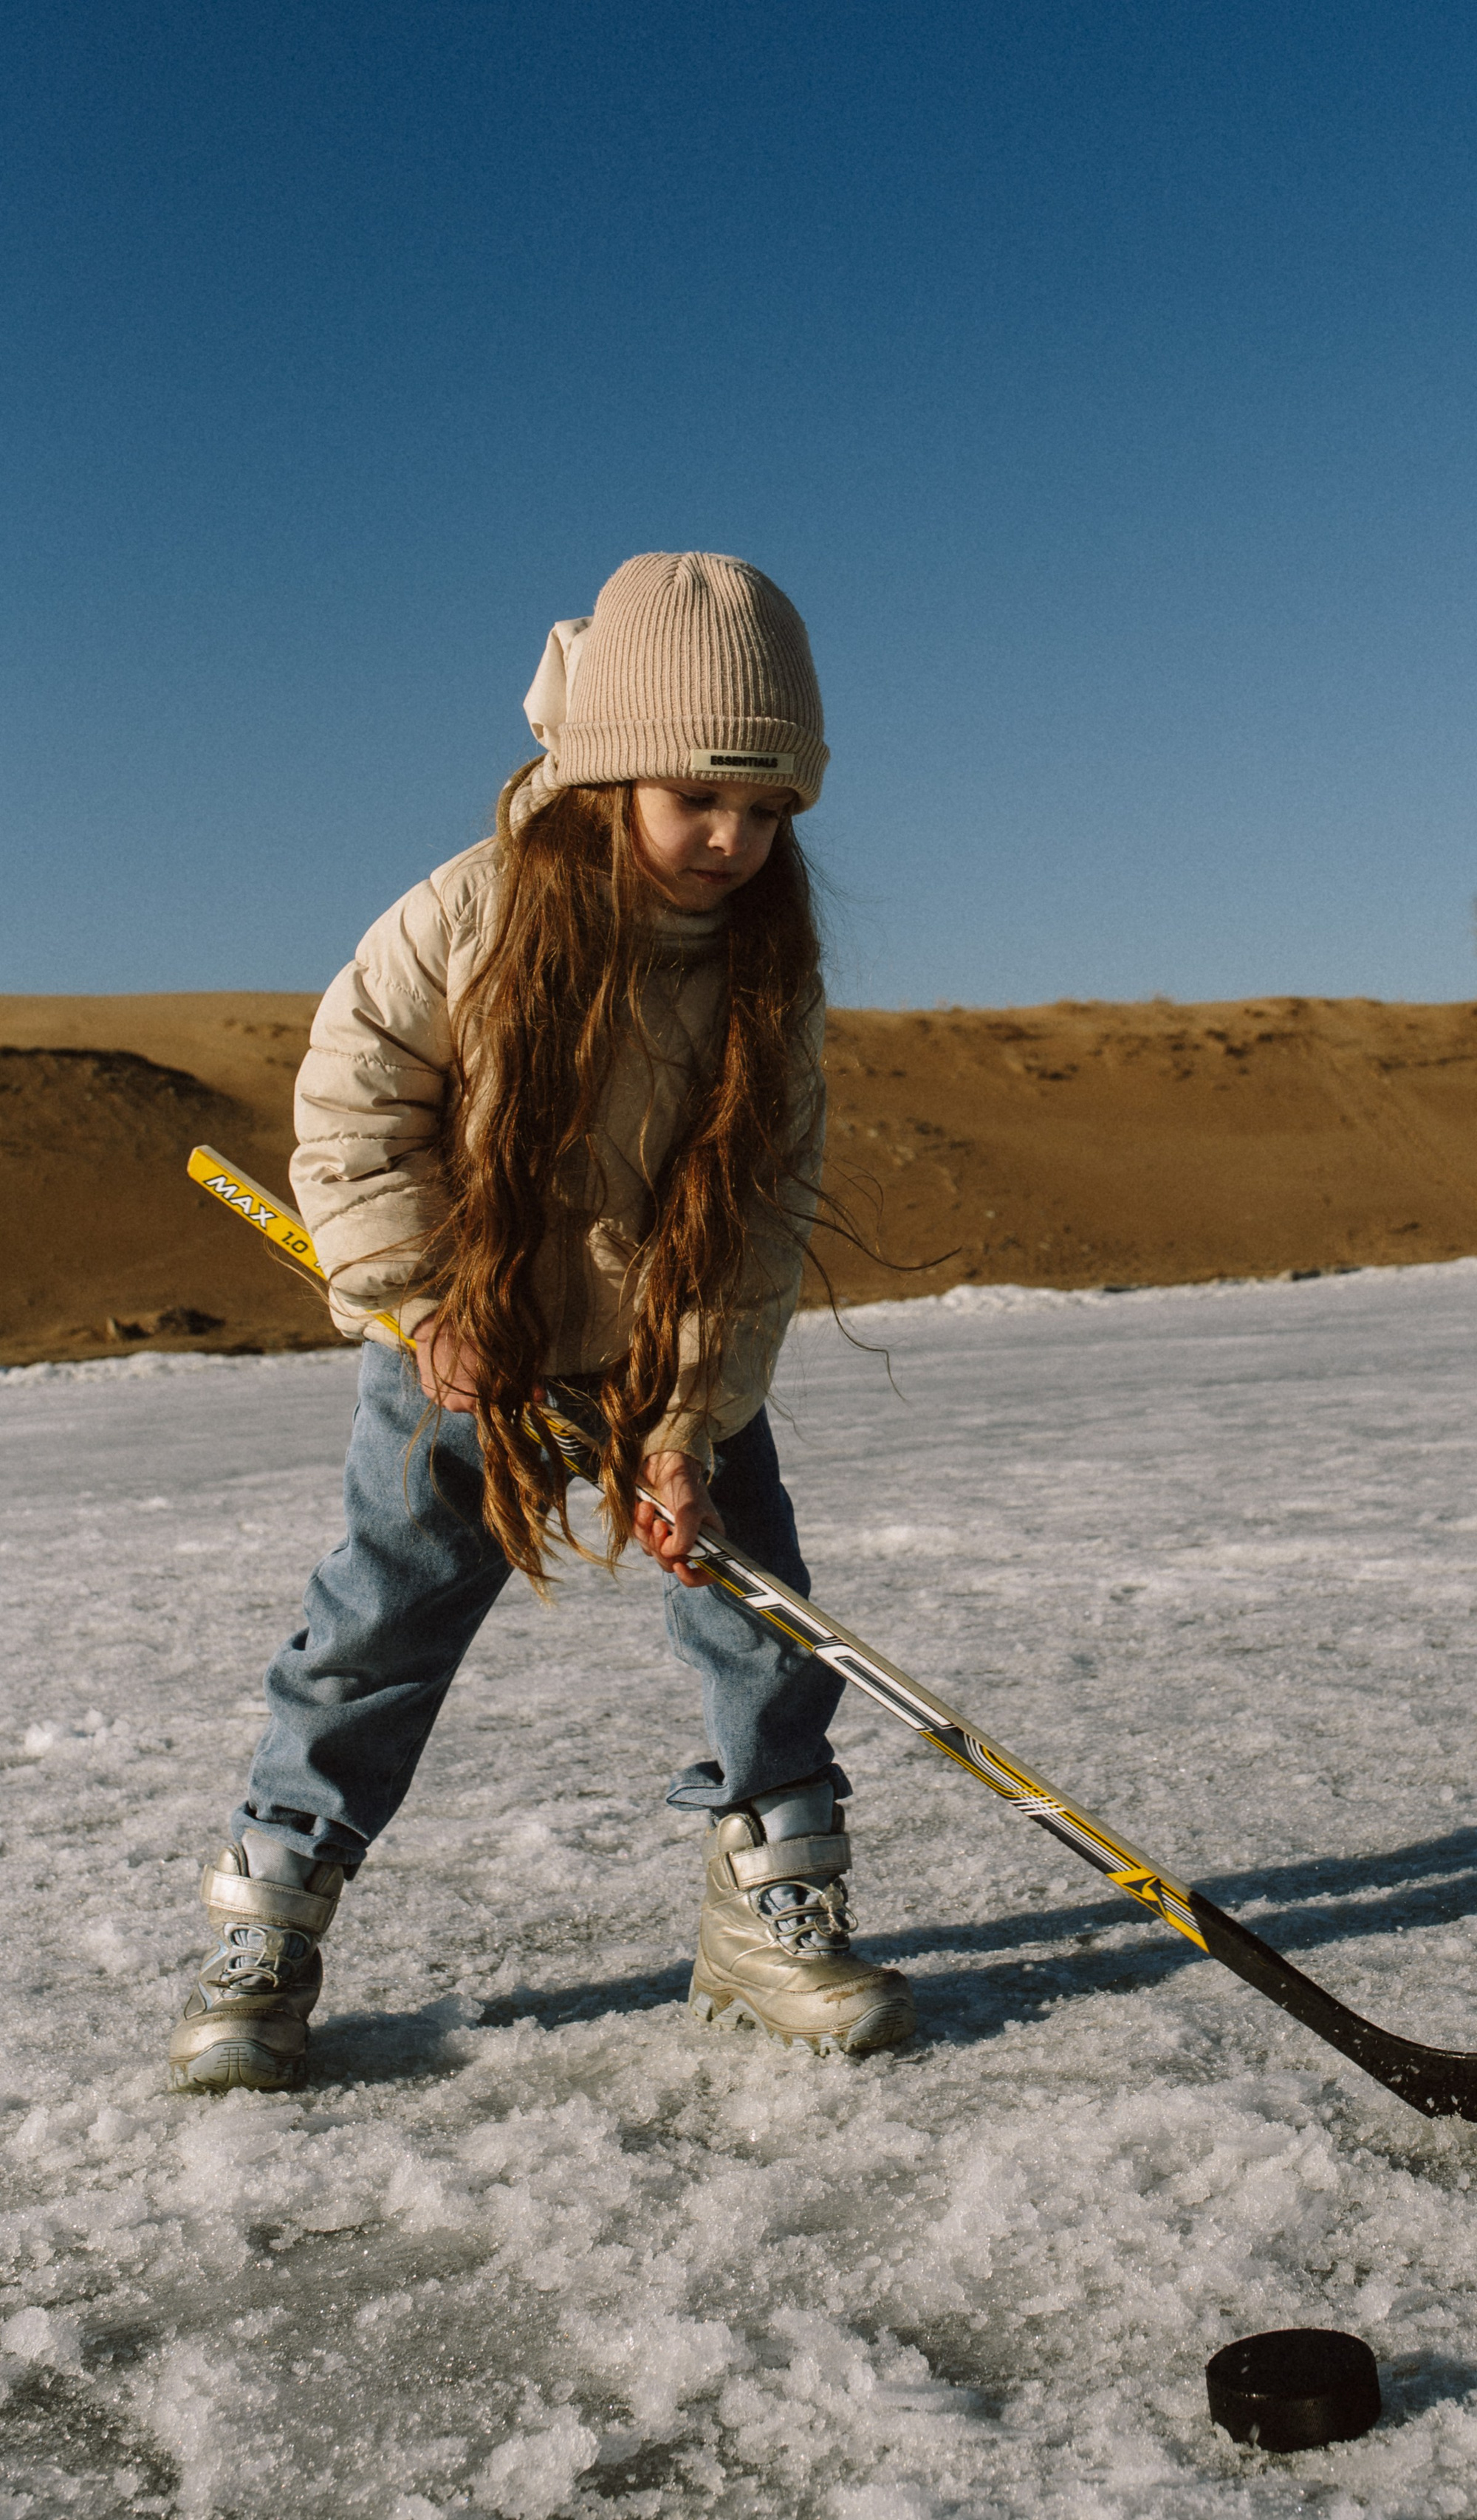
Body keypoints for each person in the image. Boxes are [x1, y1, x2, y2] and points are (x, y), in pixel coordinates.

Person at [169, 552, 916, 2094]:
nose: (733, 839)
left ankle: (769, 1910)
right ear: (608, 768)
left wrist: (686, 1423)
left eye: (769, 809)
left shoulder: (766, 969)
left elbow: (758, 1211)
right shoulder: (466, 915)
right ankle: (269, 1928)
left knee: (762, 1622)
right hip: (461, 1355)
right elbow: (354, 1111)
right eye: (698, 796)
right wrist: (424, 1297)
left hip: (667, 1352)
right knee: (375, 1631)